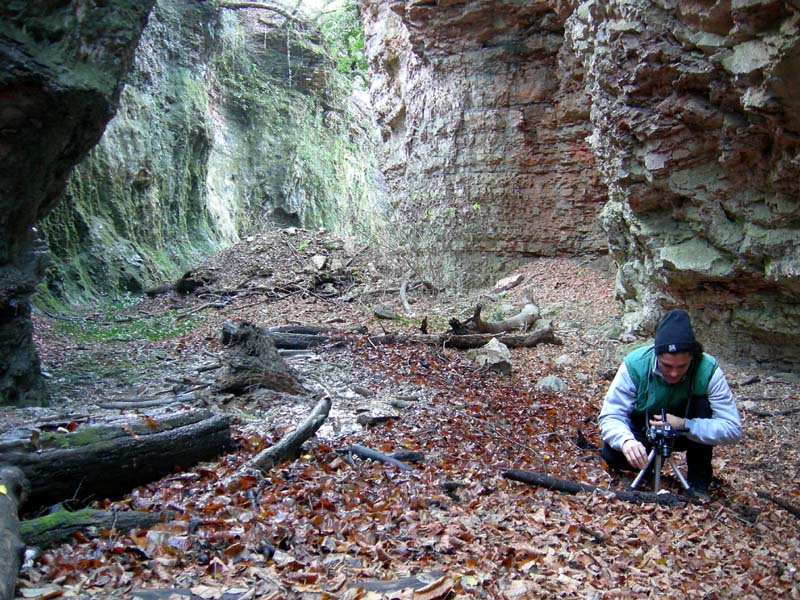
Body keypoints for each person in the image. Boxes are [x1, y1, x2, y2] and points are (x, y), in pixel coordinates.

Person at [598, 309, 742, 497]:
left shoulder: (708, 370)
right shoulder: (635, 364)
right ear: (656, 355)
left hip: (685, 430)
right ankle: (646, 465)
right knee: (612, 455)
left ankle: (699, 483)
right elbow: (610, 415)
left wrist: (684, 424)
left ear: (692, 357)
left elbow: (733, 429)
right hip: (644, 428)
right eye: (667, 366)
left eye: (682, 367)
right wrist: (626, 441)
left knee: (703, 407)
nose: (674, 373)